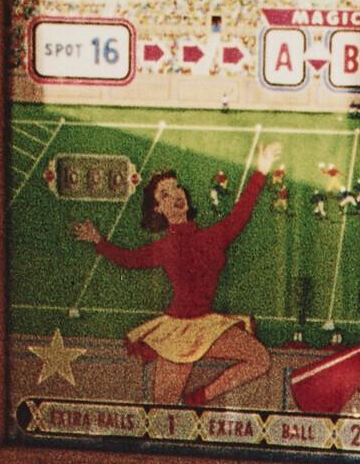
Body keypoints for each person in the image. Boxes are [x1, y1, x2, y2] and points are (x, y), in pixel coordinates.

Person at [76, 145, 280, 409]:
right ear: (159, 208)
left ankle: (199, 398)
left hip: (209, 327)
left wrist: (262, 168)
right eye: (165, 194)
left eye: (176, 188)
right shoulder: (164, 247)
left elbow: (242, 212)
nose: (176, 195)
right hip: (178, 333)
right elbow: (129, 259)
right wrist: (99, 242)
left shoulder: (213, 236)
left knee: (260, 359)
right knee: (162, 407)